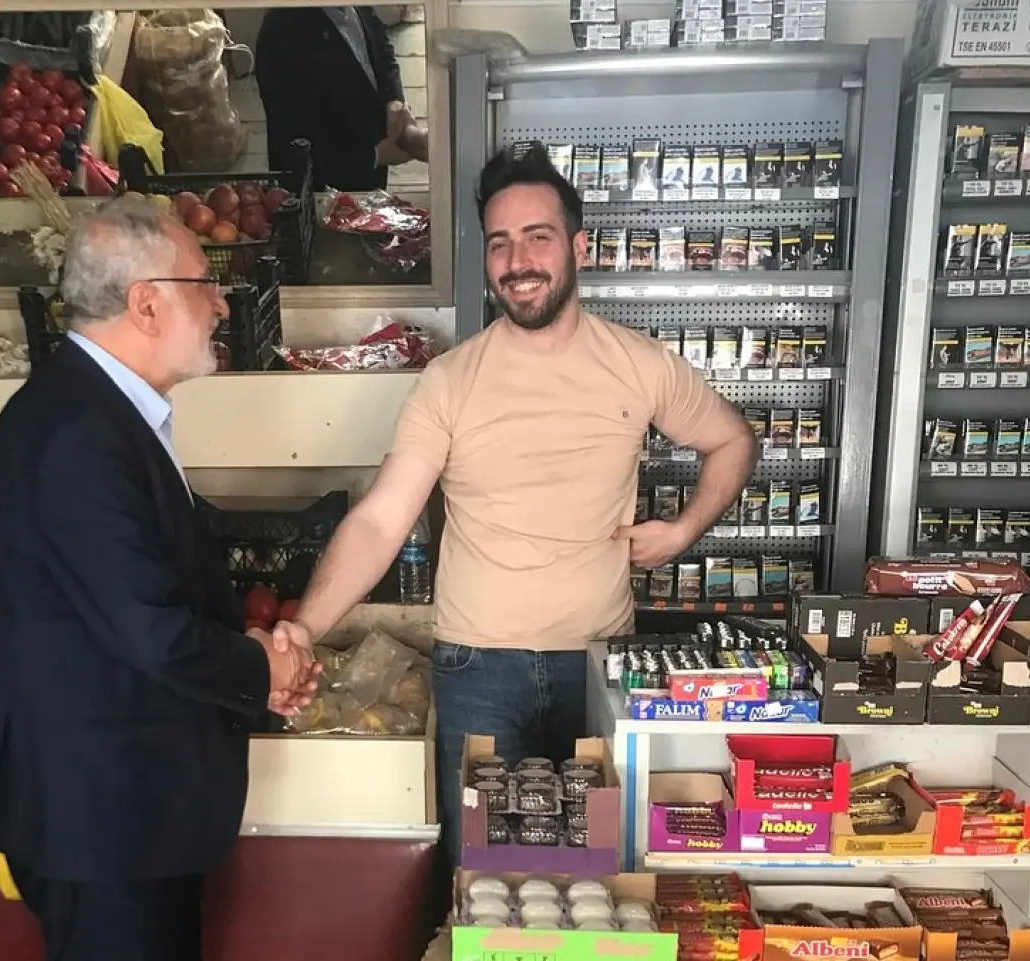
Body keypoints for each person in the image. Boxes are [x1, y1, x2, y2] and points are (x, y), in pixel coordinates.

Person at [272, 145, 757, 856]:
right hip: (479, 667)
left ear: (578, 248)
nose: (517, 260)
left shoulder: (640, 365)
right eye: (499, 242)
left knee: (594, 872)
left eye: (537, 236)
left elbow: (732, 440)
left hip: (598, 663)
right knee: (484, 871)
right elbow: (381, 519)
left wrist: (683, 530)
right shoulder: (449, 382)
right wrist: (304, 628)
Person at [0, 197, 318, 961]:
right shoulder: (79, 432)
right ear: (146, 304)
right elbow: (149, 627)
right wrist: (260, 667)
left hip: (121, 808)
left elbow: (136, 594)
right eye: (203, 284)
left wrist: (251, 654)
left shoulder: (96, 411)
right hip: (100, 820)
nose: (221, 304)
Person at [255, 6, 428, 191]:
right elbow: (295, 146)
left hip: (369, 181)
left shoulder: (354, 5)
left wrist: (393, 100)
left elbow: (380, 46)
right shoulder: (280, 33)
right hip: (321, 194)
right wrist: (377, 155)